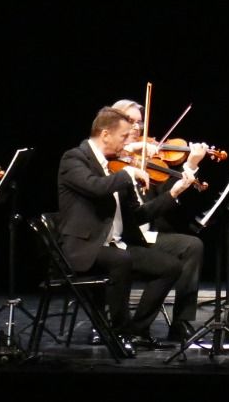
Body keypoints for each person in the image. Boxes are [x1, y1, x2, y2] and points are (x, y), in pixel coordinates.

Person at [56, 106, 202, 352]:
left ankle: (136, 330)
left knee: (170, 266)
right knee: (120, 260)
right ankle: (119, 333)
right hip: (84, 247)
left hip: (115, 245)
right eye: (124, 137)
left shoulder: (114, 166)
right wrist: (127, 173)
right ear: (105, 135)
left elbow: (138, 214)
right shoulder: (74, 158)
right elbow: (95, 187)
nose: (129, 143)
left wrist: (174, 192)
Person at [107, 99, 210, 341]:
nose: (136, 129)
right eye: (130, 122)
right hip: (114, 237)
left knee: (192, 245)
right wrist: (129, 154)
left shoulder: (152, 159)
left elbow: (163, 198)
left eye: (139, 123)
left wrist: (190, 165)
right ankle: (122, 325)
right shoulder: (105, 159)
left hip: (143, 234)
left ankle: (180, 322)